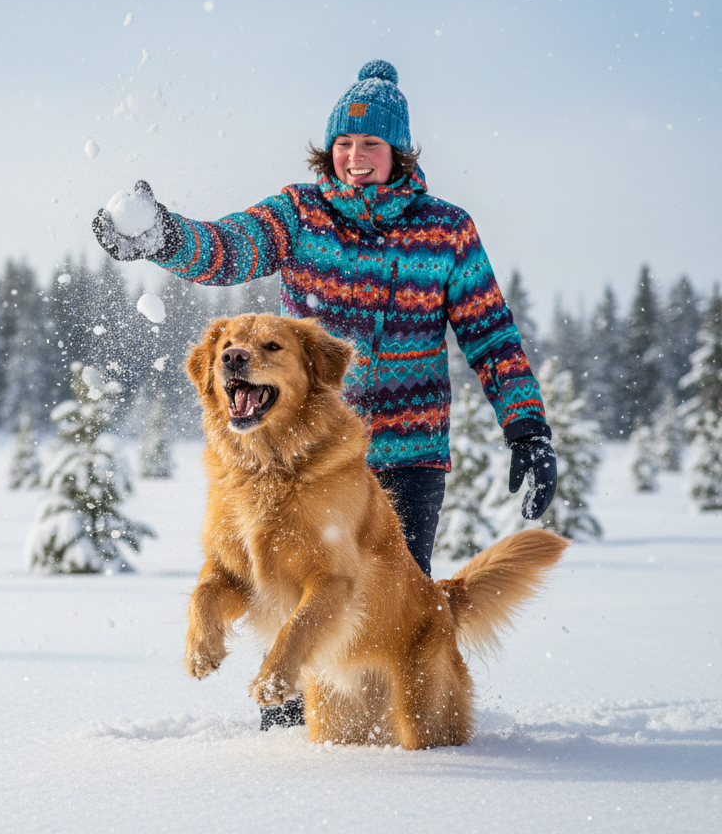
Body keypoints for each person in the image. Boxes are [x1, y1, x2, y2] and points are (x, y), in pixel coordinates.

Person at [92, 59, 557, 728]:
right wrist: (163, 237)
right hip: (301, 458)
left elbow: (491, 336)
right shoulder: (300, 214)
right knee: (291, 603)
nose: (355, 157)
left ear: (398, 151)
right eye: (344, 143)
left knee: (385, 622)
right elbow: (226, 248)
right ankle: (294, 743)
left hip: (403, 461)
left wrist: (527, 428)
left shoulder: (446, 230)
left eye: (370, 144)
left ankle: (393, 756)